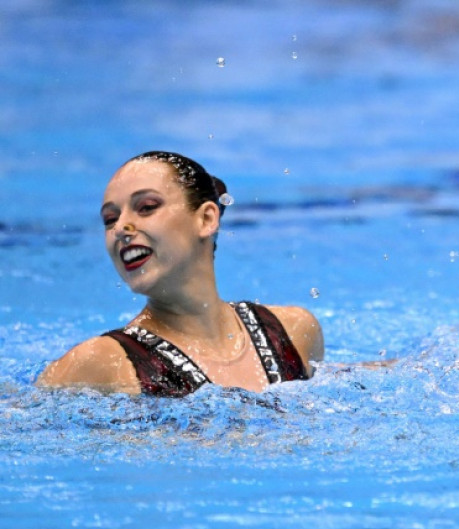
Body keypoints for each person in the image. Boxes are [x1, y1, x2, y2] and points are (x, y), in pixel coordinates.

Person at [37, 151, 323, 396]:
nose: (121, 228)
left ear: (206, 218)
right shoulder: (103, 363)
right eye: (110, 219)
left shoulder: (293, 332)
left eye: (146, 208)